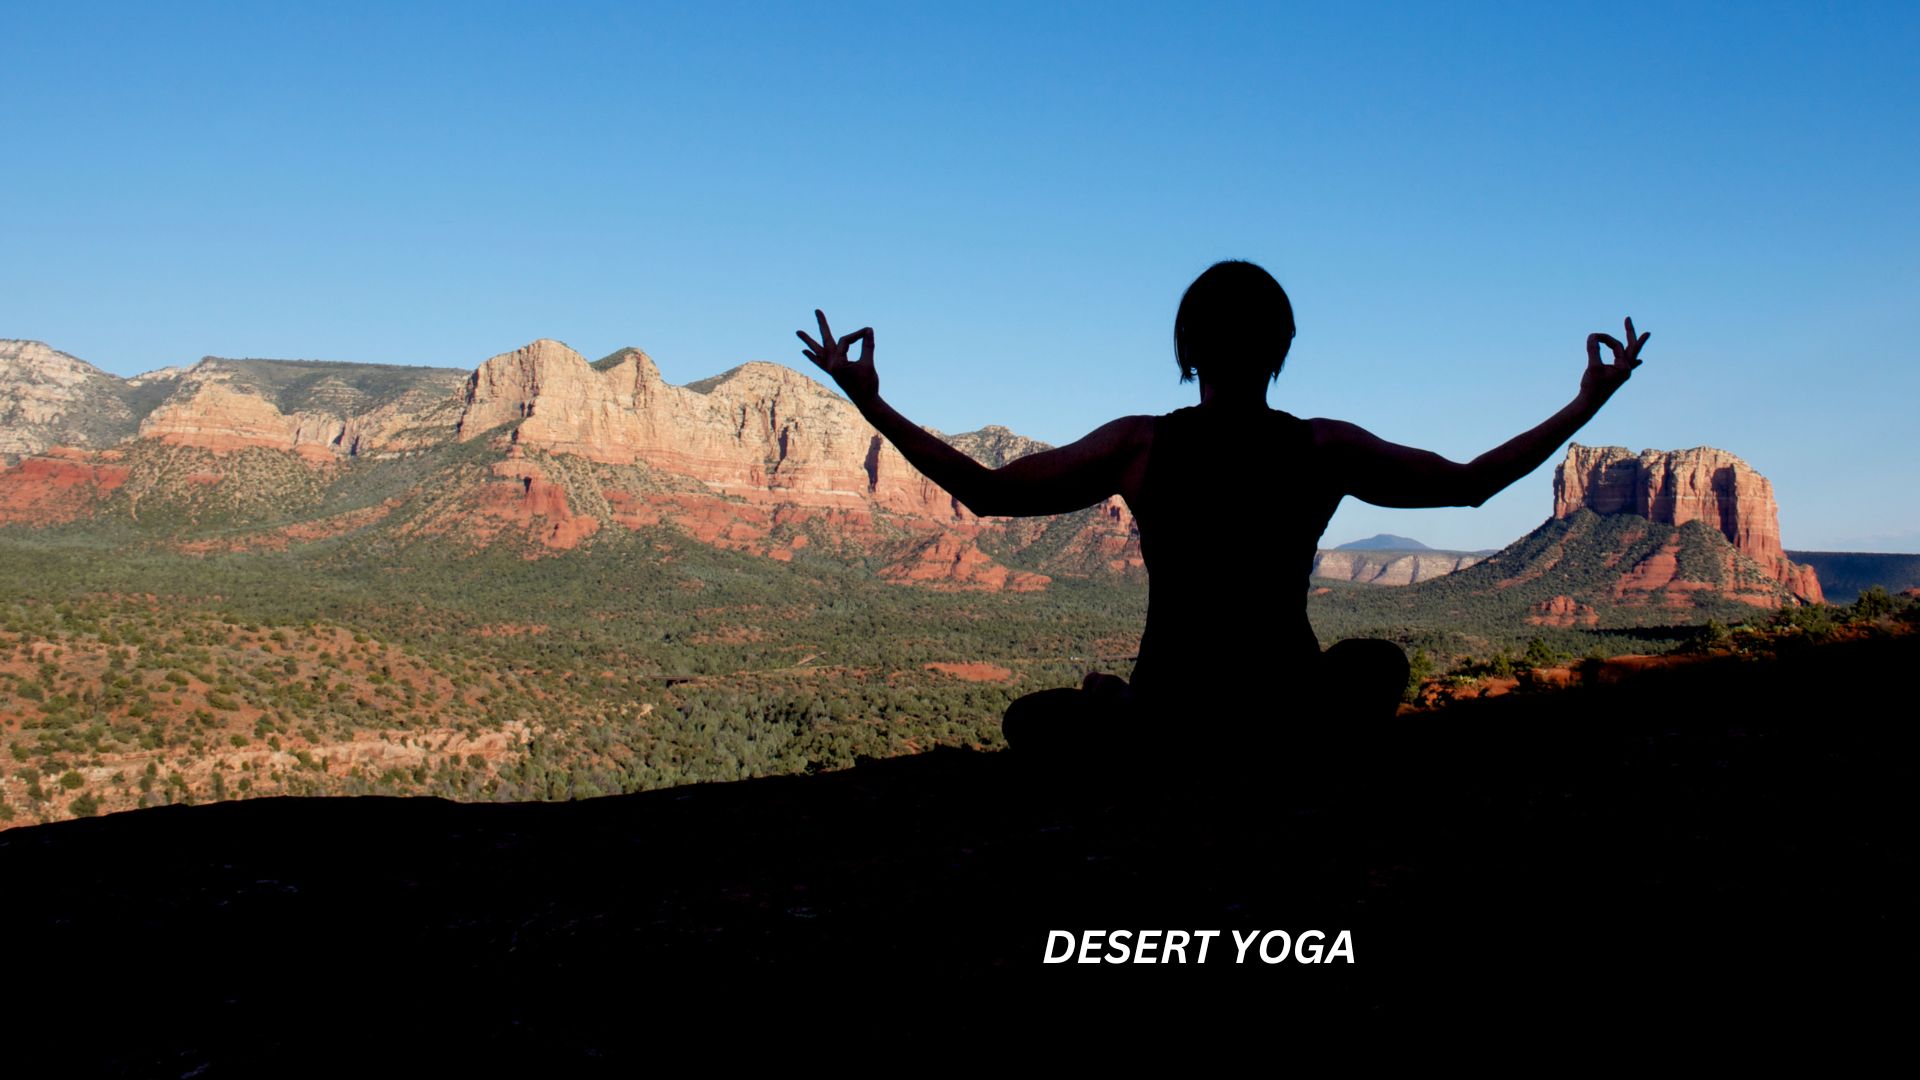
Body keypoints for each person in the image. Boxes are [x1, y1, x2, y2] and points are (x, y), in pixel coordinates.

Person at [798, 260, 1649, 763]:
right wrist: (1585, 405)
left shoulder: (1140, 447)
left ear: (1186, 349)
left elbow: (986, 492)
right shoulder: (1322, 449)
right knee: (1376, 663)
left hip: (1172, 716)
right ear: (1281, 350)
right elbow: (1471, 482)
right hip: (1291, 708)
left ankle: (1121, 719)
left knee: (1037, 721)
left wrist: (872, 404)